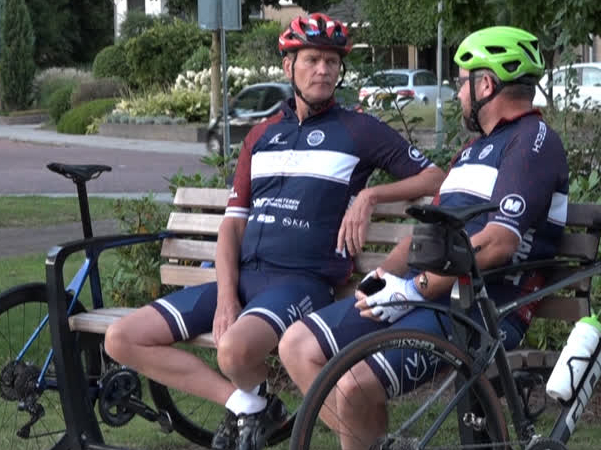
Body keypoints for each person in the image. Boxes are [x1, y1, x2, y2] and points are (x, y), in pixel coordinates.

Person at [103, 12, 445, 450]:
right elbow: (232, 224)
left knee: (233, 350)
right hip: (246, 277)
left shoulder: (359, 129)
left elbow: (435, 178)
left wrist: (370, 196)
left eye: (332, 62)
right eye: (312, 60)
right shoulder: (262, 135)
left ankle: (337, 431)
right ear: (289, 67)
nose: (323, 70)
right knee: (122, 338)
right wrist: (226, 297)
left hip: (301, 282)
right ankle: (247, 404)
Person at [279, 26, 570, 450]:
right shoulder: (472, 151)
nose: (459, 93)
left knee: (354, 384)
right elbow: (425, 236)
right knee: (297, 344)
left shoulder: (532, 142)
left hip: (478, 307)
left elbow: (498, 242)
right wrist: (382, 279)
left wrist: (413, 288)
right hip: (425, 293)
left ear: (486, 84)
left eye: (463, 82)